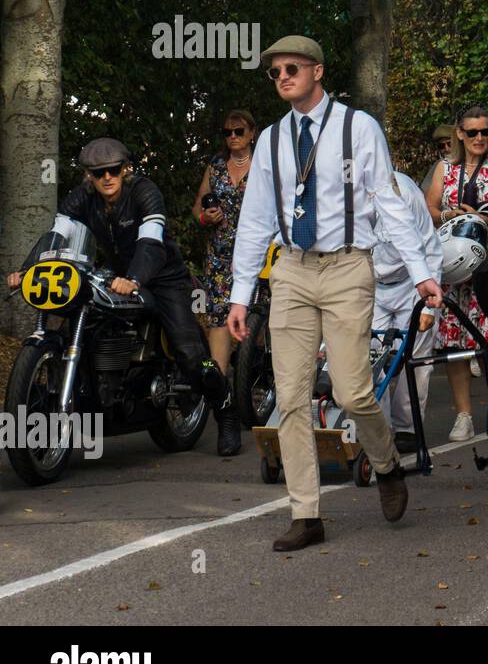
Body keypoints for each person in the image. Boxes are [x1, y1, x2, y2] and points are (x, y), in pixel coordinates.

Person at [229, 35, 443, 552]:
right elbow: (255, 217)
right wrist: (239, 293)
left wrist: (420, 272)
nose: (282, 76)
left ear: (318, 71)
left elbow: (389, 203)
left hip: (349, 266)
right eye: (275, 71)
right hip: (292, 272)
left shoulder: (358, 128)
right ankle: (306, 513)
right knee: (292, 396)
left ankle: (387, 463)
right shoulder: (274, 140)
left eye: (291, 68)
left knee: (352, 392)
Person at [8, 137, 242, 457]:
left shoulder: (144, 192)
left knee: (189, 352)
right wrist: (28, 269)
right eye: (99, 172)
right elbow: (56, 235)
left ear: (125, 168)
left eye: (114, 170)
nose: (107, 177)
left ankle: (226, 410)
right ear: (89, 175)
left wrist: (134, 279)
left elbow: (150, 241)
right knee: (81, 325)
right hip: (118, 274)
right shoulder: (82, 198)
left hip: (162, 277)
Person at [425, 105, 488, 441]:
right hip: (452, 269)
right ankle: (463, 416)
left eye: (484, 131)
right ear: (460, 134)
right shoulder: (445, 168)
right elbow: (430, 209)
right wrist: (448, 214)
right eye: (472, 132)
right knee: (454, 343)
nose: (479, 138)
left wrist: (480, 218)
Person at [371, 170, 442, 453]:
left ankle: (408, 428)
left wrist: (427, 306)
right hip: (369, 284)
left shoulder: (407, 192)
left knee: (415, 356)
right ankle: (381, 429)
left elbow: (429, 245)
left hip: (411, 282)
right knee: (370, 356)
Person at [192, 109, 257, 381]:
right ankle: (218, 384)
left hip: (256, 251)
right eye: (227, 132)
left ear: (251, 134)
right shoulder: (215, 167)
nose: (233, 136)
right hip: (219, 254)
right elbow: (197, 207)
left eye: (239, 131)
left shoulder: (264, 166)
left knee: (257, 314)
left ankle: (253, 376)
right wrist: (205, 217)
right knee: (218, 314)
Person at [420, 124, 456, 193]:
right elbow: (425, 191)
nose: (446, 149)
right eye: (441, 146)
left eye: (450, 144)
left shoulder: (469, 162)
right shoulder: (439, 165)